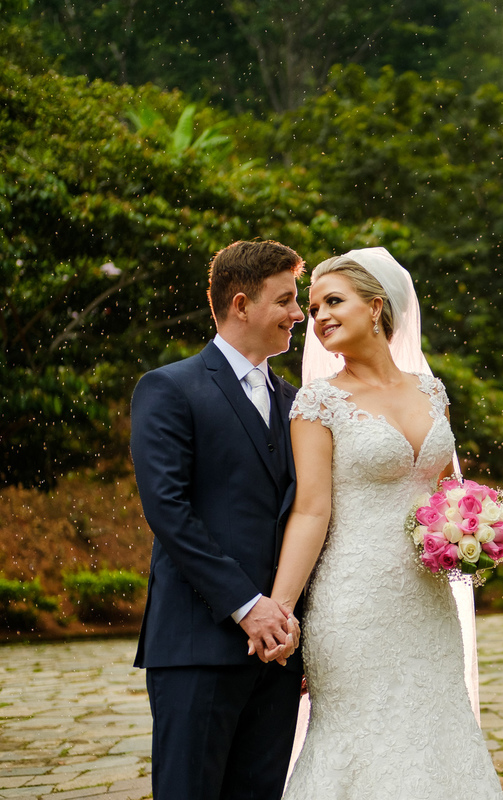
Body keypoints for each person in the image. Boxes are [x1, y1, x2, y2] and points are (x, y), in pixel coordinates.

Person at [266, 247, 503, 798]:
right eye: (313, 305)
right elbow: (310, 510)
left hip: (426, 600)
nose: (318, 316)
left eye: (333, 301)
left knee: (436, 728)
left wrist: (477, 530)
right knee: (360, 737)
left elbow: (448, 491)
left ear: (376, 308)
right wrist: (279, 608)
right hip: (353, 603)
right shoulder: (317, 403)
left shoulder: (432, 391)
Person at [129, 240, 307, 800]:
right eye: (286, 300)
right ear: (240, 304)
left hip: (277, 654)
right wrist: (246, 605)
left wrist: (285, 618)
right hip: (197, 644)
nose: (298, 315)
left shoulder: (297, 403)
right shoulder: (169, 387)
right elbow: (168, 510)